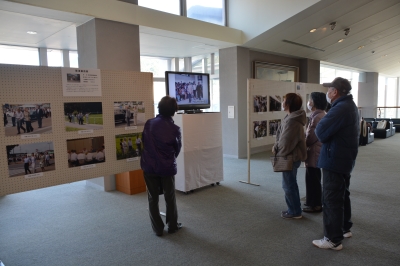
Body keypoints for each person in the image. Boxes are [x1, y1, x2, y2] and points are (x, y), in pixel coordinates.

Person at [312, 77, 359, 251]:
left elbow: (321, 131)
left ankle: (332, 239)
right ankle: (344, 228)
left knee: (331, 198)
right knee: (342, 194)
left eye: (329, 89)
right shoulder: (350, 106)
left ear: (335, 92)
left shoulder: (340, 108)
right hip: (344, 158)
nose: (327, 92)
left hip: (335, 159)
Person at [141, 96, 182, 236]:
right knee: (169, 197)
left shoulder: (149, 123)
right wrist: (168, 159)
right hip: (166, 168)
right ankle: (172, 226)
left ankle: (158, 229)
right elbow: (177, 149)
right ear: (173, 110)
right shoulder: (175, 129)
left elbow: (144, 142)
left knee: (152, 198)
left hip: (149, 166)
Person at [272, 93, 307, 219]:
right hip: (292, 156)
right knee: (290, 183)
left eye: (284, 100)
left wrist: (277, 150)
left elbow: (285, 142)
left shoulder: (292, 121)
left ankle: (294, 211)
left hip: (290, 157)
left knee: (288, 185)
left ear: (289, 104)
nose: (282, 103)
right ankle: (294, 209)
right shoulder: (291, 117)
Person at [303, 92, 327, 213]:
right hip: (317, 151)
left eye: (310, 99)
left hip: (314, 151)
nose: (309, 102)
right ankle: (312, 202)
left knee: (313, 179)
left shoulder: (317, 117)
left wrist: (303, 140)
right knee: (313, 178)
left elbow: (311, 137)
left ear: (314, 102)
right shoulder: (320, 114)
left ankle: (315, 204)